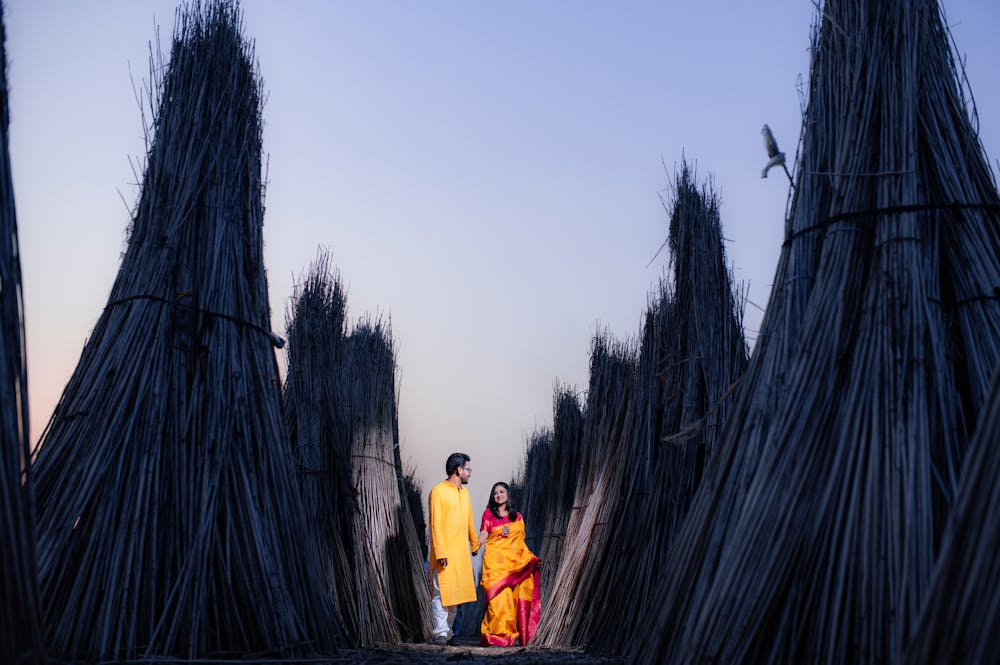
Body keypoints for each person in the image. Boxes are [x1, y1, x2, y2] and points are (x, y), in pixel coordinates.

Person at [477, 482, 542, 647]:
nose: (498, 495)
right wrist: (475, 545)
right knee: (497, 601)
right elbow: (484, 533)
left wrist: (528, 560)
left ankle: (508, 637)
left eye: (501, 492)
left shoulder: (517, 517)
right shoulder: (488, 514)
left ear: (508, 495)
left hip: (513, 566)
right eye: (495, 493)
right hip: (494, 565)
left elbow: (520, 542)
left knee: (511, 601)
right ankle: (495, 636)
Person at [428, 452, 480, 646]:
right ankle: (440, 633)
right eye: (468, 469)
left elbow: (469, 523)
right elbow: (435, 525)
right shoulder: (438, 491)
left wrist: (474, 544)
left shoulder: (464, 494)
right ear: (459, 470)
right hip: (445, 553)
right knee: (442, 594)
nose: (469, 473)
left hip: (460, 554)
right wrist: (440, 552)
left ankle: (448, 634)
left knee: (454, 596)